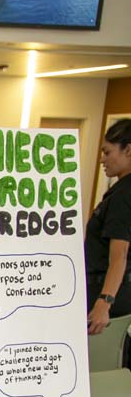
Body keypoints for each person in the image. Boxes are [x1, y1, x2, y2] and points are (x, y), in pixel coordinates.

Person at [85, 118, 131, 336]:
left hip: (109, 296)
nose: (102, 159)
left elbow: (119, 255)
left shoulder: (123, 195)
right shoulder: (120, 191)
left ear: (128, 150)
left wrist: (104, 303)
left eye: (108, 152)